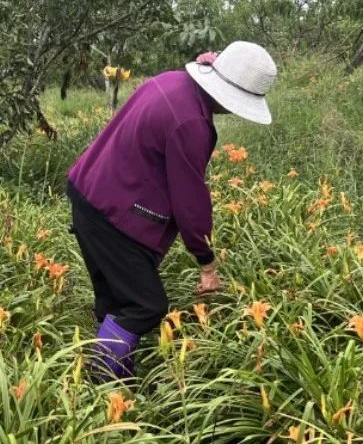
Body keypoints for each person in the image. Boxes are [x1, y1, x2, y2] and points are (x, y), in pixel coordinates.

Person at [66, 41, 278, 381]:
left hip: (88, 193)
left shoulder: (170, 81)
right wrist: (206, 260)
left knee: (115, 297)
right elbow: (189, 197)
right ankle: (103, 380)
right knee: (145, 305)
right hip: (114, 212)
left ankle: (107, 387)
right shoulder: (191, 122)